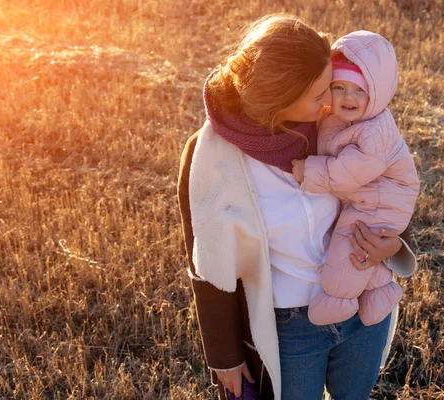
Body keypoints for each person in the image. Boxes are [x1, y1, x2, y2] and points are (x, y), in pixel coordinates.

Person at [177, 14, 418, 400]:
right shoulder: (214, 156)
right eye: (321, 93)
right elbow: (207, 261)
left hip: (361, 308)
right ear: (281, 98)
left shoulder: (341, 124)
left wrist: (395, 245)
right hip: (288, 326)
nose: (333, 100)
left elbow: (389, 186)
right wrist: (226, 357)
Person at [291, 31, 420, 327]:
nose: (348, 98)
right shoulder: (335, 116)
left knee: (350, 243)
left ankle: (338, 300)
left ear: (377, 93)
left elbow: (353, 170)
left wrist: (309, 171)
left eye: (359, 90)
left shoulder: (375, 129)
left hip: (384, 199)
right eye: (339, 87)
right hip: (369, 196)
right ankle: (380, 291)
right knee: (366, 246)